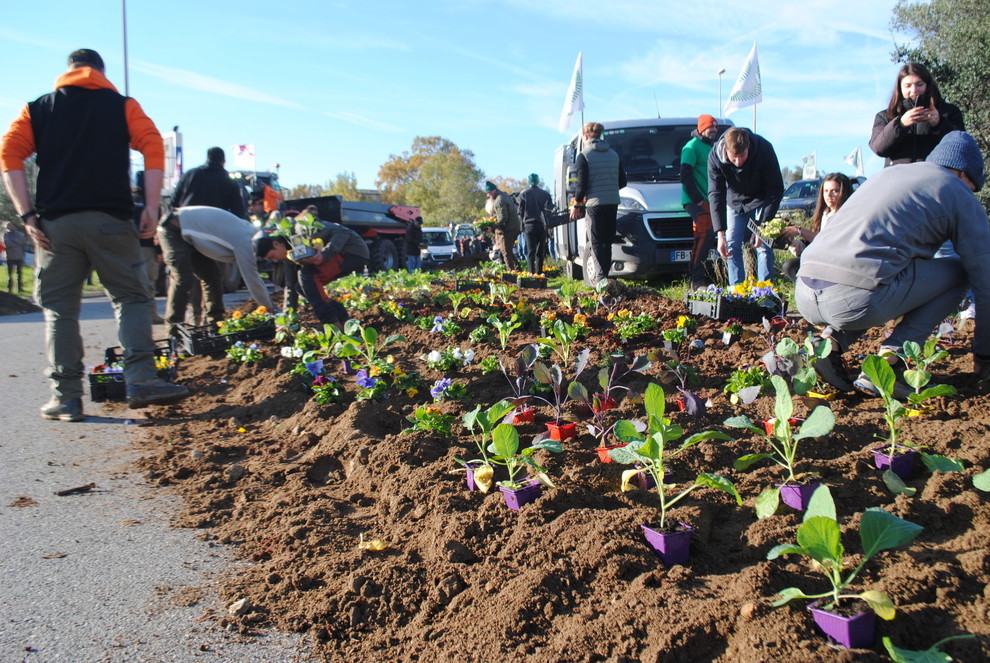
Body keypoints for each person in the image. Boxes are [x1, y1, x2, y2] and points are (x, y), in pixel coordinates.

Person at [0, 48, 189, 418]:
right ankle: (141, 381)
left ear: (68, 70)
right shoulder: (121, 105)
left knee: (59, 310)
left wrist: (27, 214)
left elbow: (9, 155)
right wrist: (151, 206)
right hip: (110, 220)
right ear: (100, 71)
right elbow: (152, 145)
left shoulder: (38, 108)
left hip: (55, 226)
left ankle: (66, 397)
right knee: (132, 299)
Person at [796, 131, 990, 396]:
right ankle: (892, 363)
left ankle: (829, 344)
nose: (971, 195)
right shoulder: (956, 191)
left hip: (805, 291)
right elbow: (985, 278)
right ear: (963, 175)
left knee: (875, 268)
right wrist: (984, 353)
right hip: (853, 300)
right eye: (972, 189)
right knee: (960, 273)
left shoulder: (890, 175)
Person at [158, 206, 274, 338]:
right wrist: (268, 309)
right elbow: (252, 279)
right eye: (271, 257)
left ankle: (215, 325)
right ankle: (173, 334)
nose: (272, 260)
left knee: (212, 276)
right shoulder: (246, 243)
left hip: (191, 235)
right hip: (173, 228)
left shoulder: (252, 234)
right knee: (183, 279)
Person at [253, 215, 369, 328]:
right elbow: (291, 287)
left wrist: (325, 254)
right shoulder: (289, 256)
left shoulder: (302, 230)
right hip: (340, 258)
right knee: (300, 286)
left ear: (276, 244)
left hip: (353, 252)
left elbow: (343, 232)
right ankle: (342, 318)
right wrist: (287, 319)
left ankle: (331, 324)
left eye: (272, 256)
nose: (274, 260)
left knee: (307, 275)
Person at [708, 127, 783, 285]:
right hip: (734, 200)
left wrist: (763, 225)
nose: (738, 162)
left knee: (764, 244)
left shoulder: (764, 148)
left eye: (742, 156)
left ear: (748, 146)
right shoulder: (715, 155)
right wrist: (720, 234)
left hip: (761, 198)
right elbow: (716, 194)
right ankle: (737, 292)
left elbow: (775, 189)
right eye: (734, 157)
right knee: (731, 243)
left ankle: (766, 291)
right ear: (726, 150)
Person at [869, 62, 965, 167]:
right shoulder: (886, 116)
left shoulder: (949, 111)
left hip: (936, 178)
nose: (914, 90)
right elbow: (879, 148)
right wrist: (900, 124)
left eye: (919, 84)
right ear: (900, 88)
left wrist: (939, 123)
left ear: (927, 85)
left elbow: (961, 146)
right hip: (898, 179)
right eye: (908, 86)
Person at [571, 121, 627, 285]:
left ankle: (600, 279)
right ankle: (605, 276)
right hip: (612, 202)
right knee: (607, 242)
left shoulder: (584, 155)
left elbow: (581, 185)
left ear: (585, 136)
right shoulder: (613, 154)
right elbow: (623, 181)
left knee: (596, 242)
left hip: (594, 205)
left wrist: (576, 205)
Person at [779, 173, 855, 281]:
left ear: (844, 192)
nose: (829, 195)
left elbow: (826, 242)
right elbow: (812, 246)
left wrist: (799, 231)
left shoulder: (847, 216)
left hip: (838, 265)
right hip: (819, 260)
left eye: (835, 191)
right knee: (790, 266)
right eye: (826, 191)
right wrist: (790, 241)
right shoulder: (822, 215)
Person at [680, 114, 720, 289]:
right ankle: (697, 280)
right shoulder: (691, 147)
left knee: (705, 237)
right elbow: (685, 176)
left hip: (708, 200)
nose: (714, 131)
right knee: (704, 237)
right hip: (697, 201)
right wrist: (697, 200)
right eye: (711, 127)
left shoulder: (711, 147)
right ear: (702, 128)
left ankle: (697, 278)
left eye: (716, 128)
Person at [171, 147, 246, 218]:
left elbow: (174, 202)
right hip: (216, 226)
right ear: (223, 162)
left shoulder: (189, 174)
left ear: (207, 159)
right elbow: (238, 212)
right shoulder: (229, 180)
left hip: (187, 224)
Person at [517, 173, 552, 275]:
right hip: (542, 225)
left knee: (530, 251)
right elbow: (550, 210)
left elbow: (520, 212)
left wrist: (522, 228)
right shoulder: (545, 194)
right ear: (538, 181)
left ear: (529, 182)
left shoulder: (524, 195)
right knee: (540, 251)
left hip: (529, 226)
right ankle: (539, 273)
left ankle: (530, 273)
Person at [484, 181, 521, 271]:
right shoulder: (505, 196)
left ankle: (512, 273)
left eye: (489, 193)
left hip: (508, 230)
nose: (488, 195)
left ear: (493, 190)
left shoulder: (499, 200)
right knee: (508, 251)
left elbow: (503, 218)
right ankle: (518, 270)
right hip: (514, 227)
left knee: (506, 253)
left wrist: (492, 227)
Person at [2, 221, 26, 293]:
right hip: (10, 257)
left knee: (19, 274)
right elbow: (6, 244)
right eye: (8, 225)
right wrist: (16, 243)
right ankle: (9, 288)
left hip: (19, 256)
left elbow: (23, 241)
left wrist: (13, 242)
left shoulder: (18, 234)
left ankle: (20, 288)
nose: (10, 226)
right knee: (10, 274)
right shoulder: (4, 235)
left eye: (11, 225)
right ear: (6, 227)